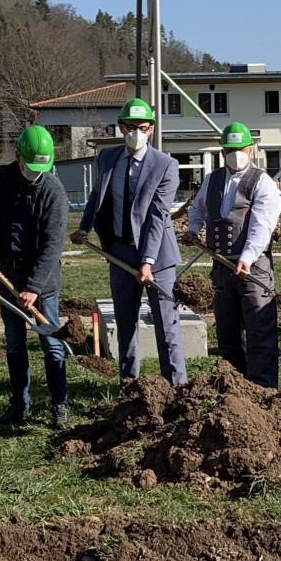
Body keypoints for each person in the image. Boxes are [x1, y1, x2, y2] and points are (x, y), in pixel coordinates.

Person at [76, 97, 186, 385]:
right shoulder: (107, 158)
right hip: (120, 252)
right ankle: (130, 385)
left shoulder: (165, 165)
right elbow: (96, 197)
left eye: (143, 127)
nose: (136, 132)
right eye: (130, 127)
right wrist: (84, 228)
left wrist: (147, 262)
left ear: (151, 129)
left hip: (158, 258)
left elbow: (158, 217)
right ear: (121, 127)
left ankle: (176, 387)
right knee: (125, 323)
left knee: (166, 324)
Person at [184, 121, 281, 387]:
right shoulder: (212, 179)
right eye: (230, 150)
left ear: (251, 149)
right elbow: (198, 208)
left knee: (259, 333)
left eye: (241, 149)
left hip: (254, 269)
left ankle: (263, 390)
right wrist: (193, 229)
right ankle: (234, 388)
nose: (236, 154)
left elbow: (262, 225)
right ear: (222, 151)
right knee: (227, 335)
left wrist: (247, 257)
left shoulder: (262, 182)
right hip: (221, 269)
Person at [0, 125, 72, 431]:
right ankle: (19, 403)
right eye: (30, 166)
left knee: (51, 343)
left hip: (42, 280)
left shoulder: (53, 191)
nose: (35, 173)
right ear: (18, 156)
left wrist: (34, 287)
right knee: (14, 342)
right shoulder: (0, 178)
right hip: (6, 273)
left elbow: (52, 245)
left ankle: (60, 404)